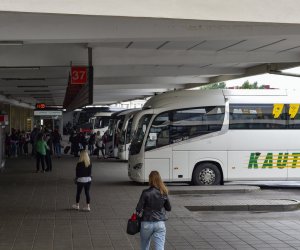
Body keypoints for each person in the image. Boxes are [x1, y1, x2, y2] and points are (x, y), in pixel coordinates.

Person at [136, 171, 171, 250]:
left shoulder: (146, 192)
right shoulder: (164, 192)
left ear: (150, 180)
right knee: (160, 247)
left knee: (144, 246)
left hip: (146, 223)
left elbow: (138, 208)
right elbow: (169, 208)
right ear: (159, 179)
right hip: (160, 223)